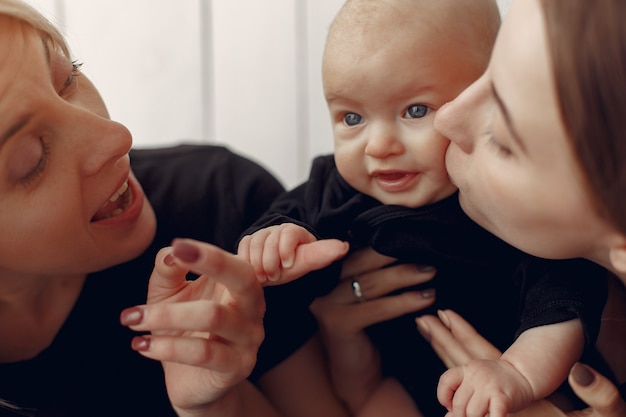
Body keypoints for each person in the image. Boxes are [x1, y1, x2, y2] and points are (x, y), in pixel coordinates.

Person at [237, 0, 608, 415]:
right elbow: (285, 219)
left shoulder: (510, 212)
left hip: (514, 375)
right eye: (352, 118)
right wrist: (274, 239)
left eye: (415, 111)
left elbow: (562, 300)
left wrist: (517, 374)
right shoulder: (336, 189)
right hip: (394, 381)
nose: (378, 147)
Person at [0, 0, 325, 415]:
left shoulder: (221, 202)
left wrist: (214, 404)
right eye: (33, 160)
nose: (117, 137)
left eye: (69, 77)